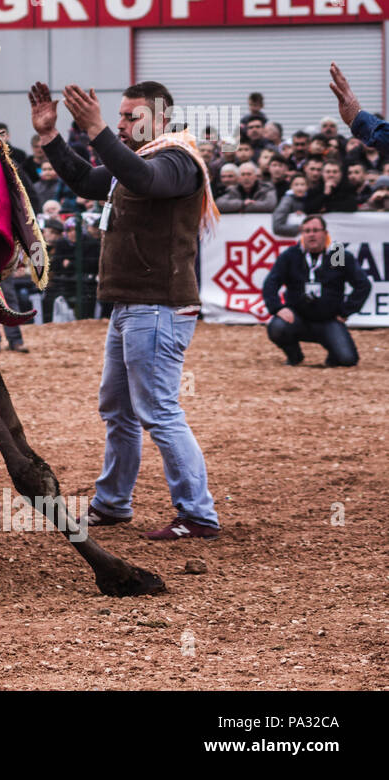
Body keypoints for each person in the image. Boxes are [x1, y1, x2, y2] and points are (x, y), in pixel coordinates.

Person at [30, 79, 221, 540]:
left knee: (157, 409)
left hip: (157, 306)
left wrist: (97, 131)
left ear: (161, 120)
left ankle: (198, 514)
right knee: (119, 408)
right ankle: (113, 503)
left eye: (132, 116)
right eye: (119, 116)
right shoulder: (147, 157)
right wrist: (51, 137)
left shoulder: (178, 159)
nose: (122, 123)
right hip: (134, 306)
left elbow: (142, 179)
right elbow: (85, 180)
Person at [262, 215, 370, 367]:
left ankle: (333, 354)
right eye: (306, 231)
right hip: (297, 318)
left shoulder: (336, 254)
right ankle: (294, 356)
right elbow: (270, 284)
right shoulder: (291, 255)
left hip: (328, 321)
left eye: (315, 230)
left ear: (325, 233)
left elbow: (363, 284)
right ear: (302, 234)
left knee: (347, 360)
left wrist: (346, 311)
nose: (311, 234)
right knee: (277, 327)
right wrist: (277, 308)